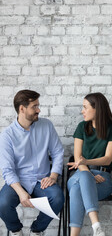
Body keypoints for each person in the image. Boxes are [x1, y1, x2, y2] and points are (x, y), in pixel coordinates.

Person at [0, 90, 64, 236]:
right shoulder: (7, 136)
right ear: (22, 109)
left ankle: (37, 230)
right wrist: (21, 193)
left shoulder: (47, 126)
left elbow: (58, 152)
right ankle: (16, 230)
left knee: (58, 198)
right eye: (34, 106)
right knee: (2, 203)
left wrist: (53, 176)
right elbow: (8, 170)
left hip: (42, 180)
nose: (38, 110)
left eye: (38, 106)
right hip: (18, 181)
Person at [67, 92, 112, 236]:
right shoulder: (81, 127)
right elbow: (78, 157)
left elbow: (108, 158)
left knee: (76, 190)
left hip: (103, 179)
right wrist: (89, 174)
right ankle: (96, 225)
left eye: (85, 107)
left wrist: (86, 162)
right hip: (81, 174)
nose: (82, 111)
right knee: (84, 177)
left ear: (97, 108)